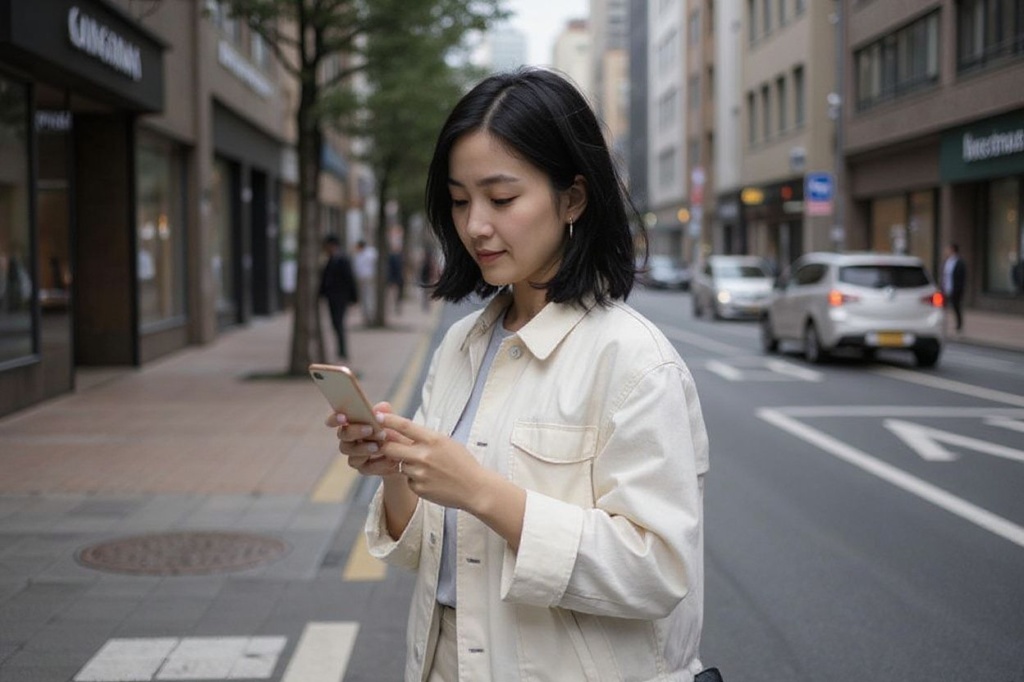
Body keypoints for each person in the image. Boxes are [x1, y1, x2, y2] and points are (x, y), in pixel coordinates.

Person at [326, 69, 711, 681]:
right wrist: (396, 470)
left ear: (573, 199)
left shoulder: (634, 359)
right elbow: (427, 551)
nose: (476, 224)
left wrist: (481, 491)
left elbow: (658, 571)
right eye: (459, 200)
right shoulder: (461, 343)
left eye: (501, 199)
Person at [319, 235, 358, 361]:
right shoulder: (329, 259)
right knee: (335, 323)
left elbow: (350, 279)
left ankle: (342, 351)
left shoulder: (342, 259)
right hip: (331, 297)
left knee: (339, 323)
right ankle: (340, 350)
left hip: (341, 297)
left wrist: (354, 298)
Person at [942, 243, 966, 332]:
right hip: (946, 288)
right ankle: (943, 325)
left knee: (956, 307)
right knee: (943, 308)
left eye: (948, 249)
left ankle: (959, 326)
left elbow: (962, 277)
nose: (946, 251)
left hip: (955, 289)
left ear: (953, 250)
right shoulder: (947, 261)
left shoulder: (959, 262)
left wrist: (960, 288)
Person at [354, 239, 378, 324]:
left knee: (369, 298)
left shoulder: (371, 253)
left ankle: (370, 315)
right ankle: (366, 316)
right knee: (364, 299)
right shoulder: (358, 255)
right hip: (362, 279)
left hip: (369, 278)